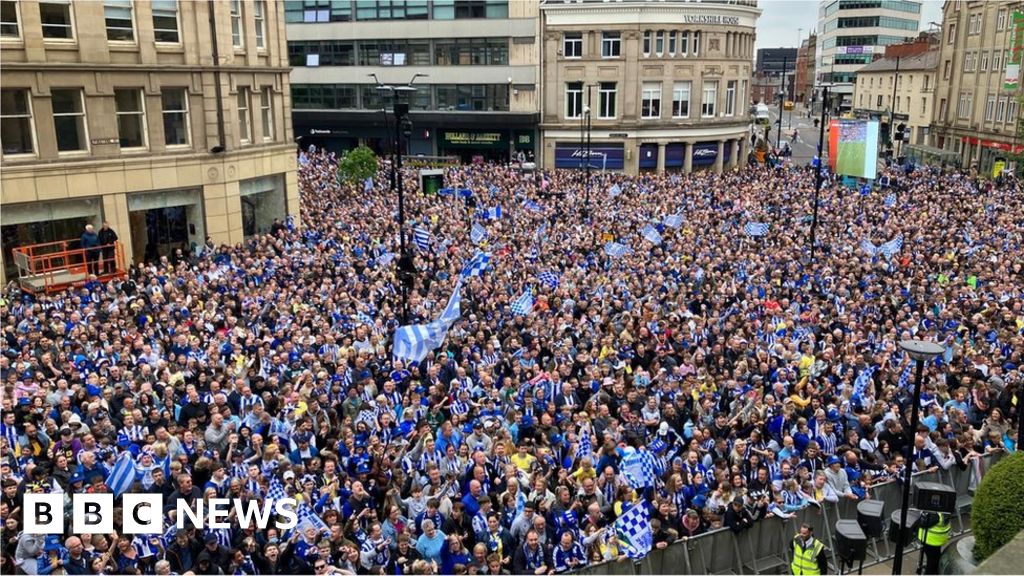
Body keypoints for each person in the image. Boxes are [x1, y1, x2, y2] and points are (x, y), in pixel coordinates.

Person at [916, 511, 950, 575]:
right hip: (938, 539)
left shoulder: (935, 514)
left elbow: (923, 522)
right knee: (935, 557)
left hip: (930, 540)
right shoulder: (946, 508)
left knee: (932, 560)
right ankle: (936, 571)